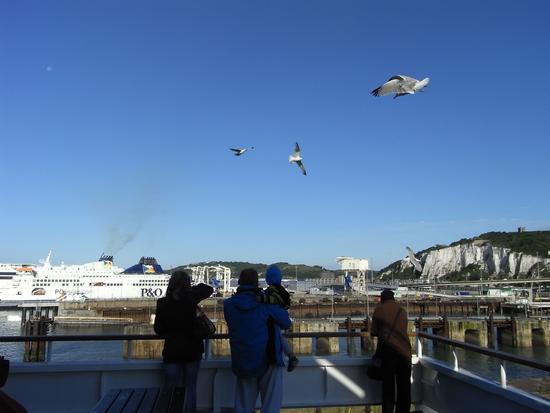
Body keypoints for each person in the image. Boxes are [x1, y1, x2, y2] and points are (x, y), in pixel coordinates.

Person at [224, 268, 292, 413]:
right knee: (271, 405)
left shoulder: (228, 305)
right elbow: (286, 323)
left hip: (241, 359)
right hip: (268, 360)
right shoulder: (265, 303)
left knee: (243, 406)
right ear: (257, 282)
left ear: (239, 282)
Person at [154, 271, 214, 413]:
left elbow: (158, 329)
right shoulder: (191, 299)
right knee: (191, 387)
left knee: (170, 387)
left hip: (172, 350)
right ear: (187, 284)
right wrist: (189, 289)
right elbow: (208, 288)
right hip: (193, 350)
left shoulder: (162, 303)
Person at [371, 289, 412, 413]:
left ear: (382, 299)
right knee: (404, 389)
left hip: (388, 353)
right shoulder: (402, 311)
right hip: (405, 353)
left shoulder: (379, 310)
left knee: (388, 390)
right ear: (393, 298)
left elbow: (373, 332)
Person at [260, 265, 299, 372]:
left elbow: (271, 301)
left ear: (267, 279)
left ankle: (292, 356)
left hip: (271, 321)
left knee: (277, 335)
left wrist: (259, 298)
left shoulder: (272, 291)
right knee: (279, 336)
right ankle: (291, 356)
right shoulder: (282, 291)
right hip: (280, 316)